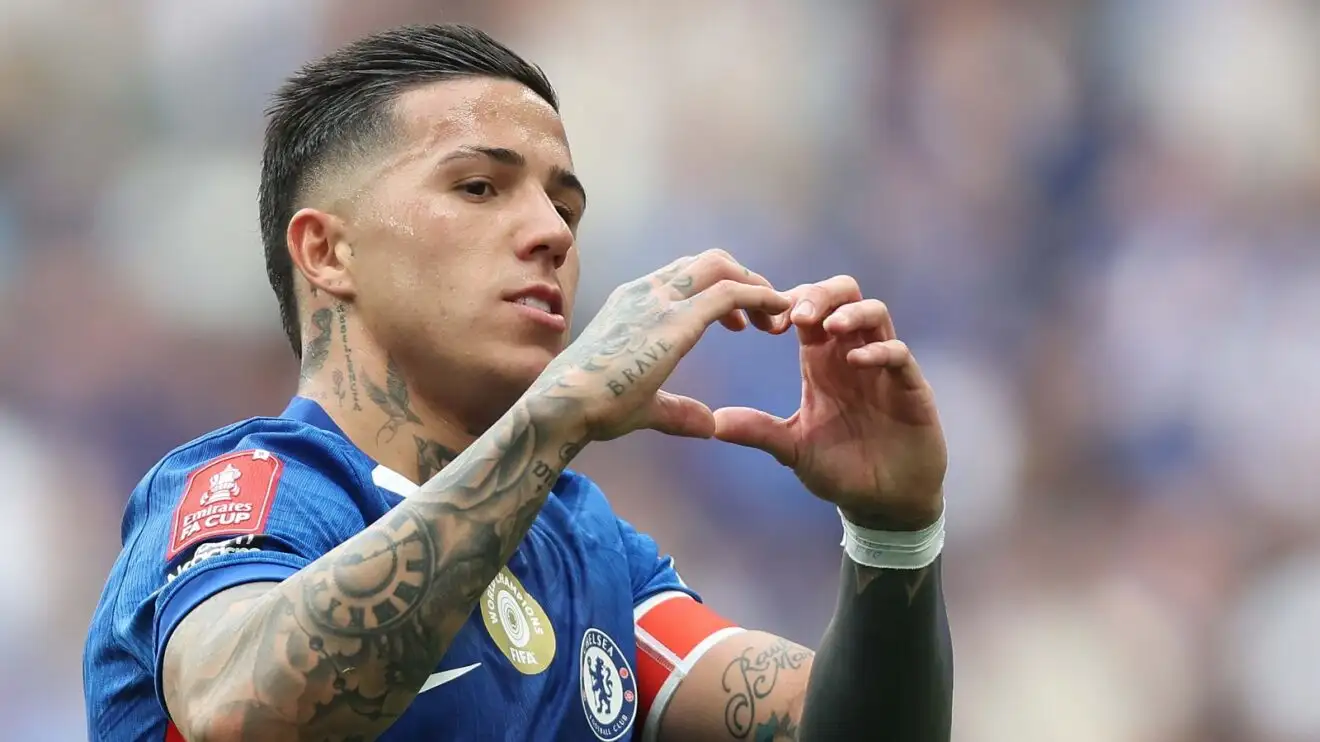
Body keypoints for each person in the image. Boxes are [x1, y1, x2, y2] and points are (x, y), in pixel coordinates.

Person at [83, 23, 953, 742]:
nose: (552, 233)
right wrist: (556, 415)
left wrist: (894, 533)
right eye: (478, 187)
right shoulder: (252, 493)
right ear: (327, 251)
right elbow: (241, 710)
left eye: (565, 207)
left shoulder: (587, 550)